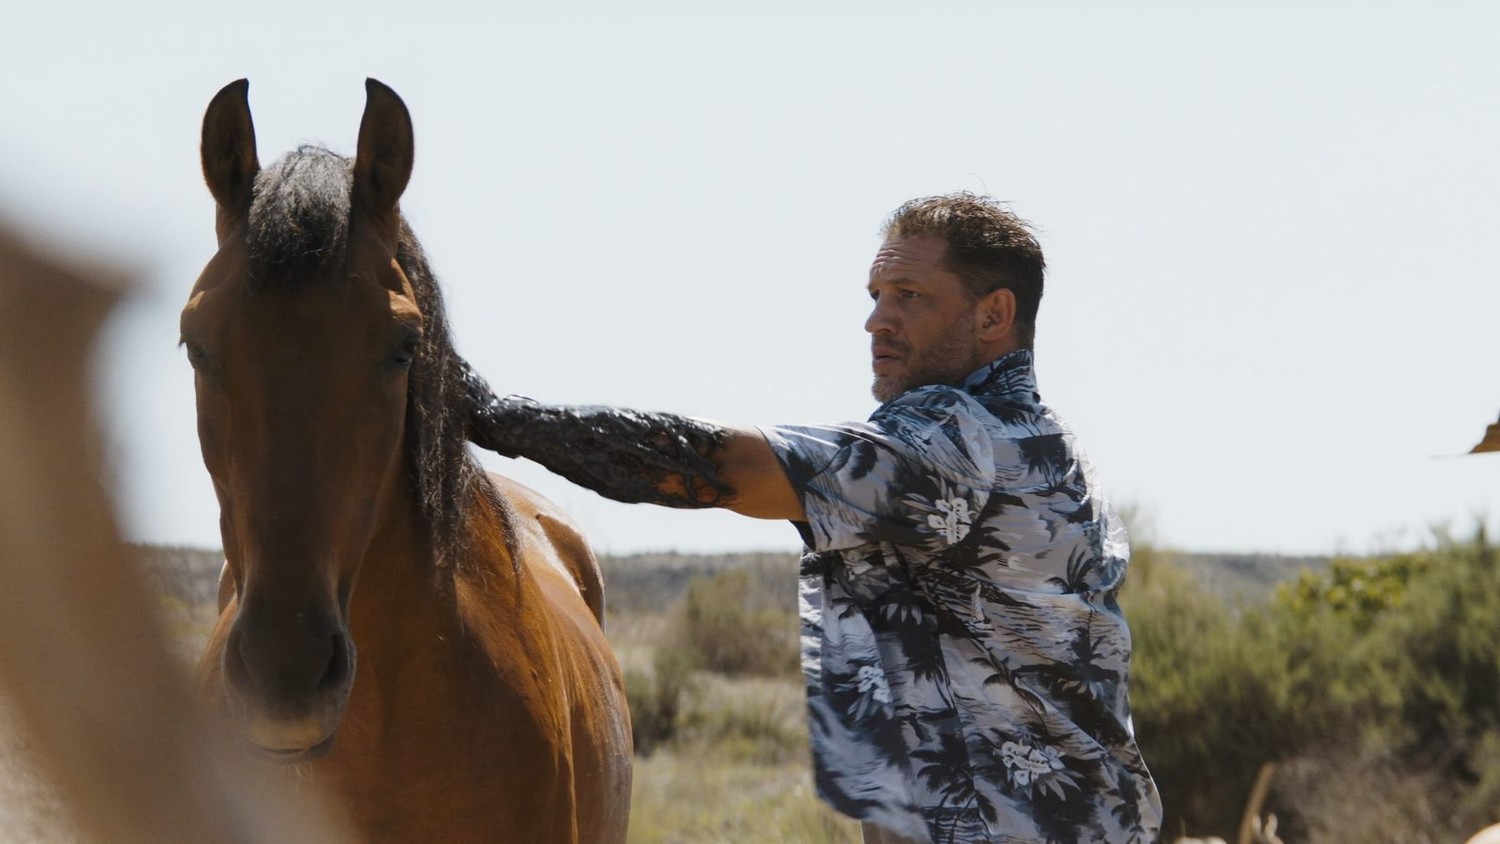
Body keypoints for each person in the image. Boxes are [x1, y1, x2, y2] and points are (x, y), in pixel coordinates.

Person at [462, 192, 1162, 843]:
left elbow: (724, 468)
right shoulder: (1048, 446)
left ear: (992, 315)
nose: (876, 321)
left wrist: (495, 420)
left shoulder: (958, 440)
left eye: (910, 297)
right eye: (876, 296)